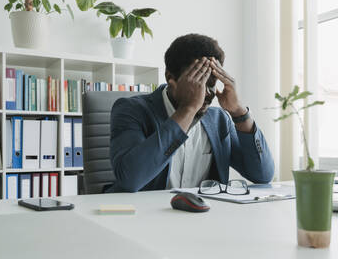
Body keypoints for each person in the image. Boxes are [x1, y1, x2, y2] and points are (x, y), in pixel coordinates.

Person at [106, 34, 274, 193]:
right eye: (197, 82)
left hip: (202, 217)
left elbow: (263, 175)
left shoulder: (219, 121)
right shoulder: (131, 109)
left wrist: (239, 112)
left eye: (211, 83)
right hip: (142, 217)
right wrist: (188, 109)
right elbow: (131, 179)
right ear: (170, 78)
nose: (206, 93)